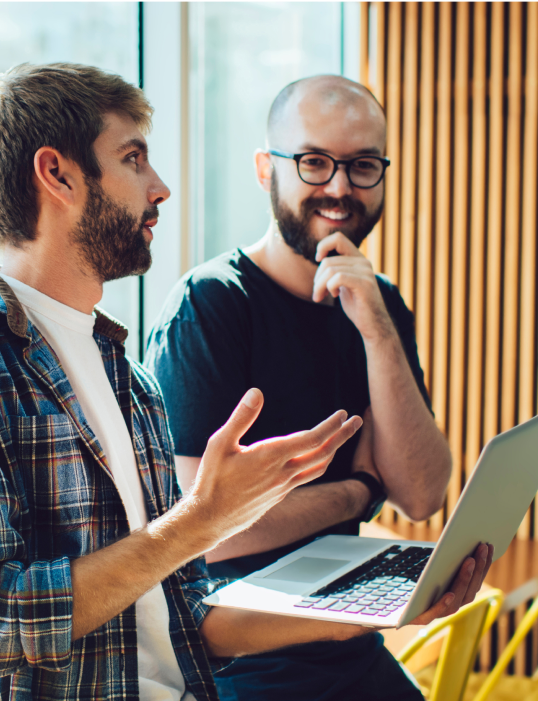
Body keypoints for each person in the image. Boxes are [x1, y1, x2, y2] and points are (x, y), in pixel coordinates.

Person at [0, 64, 490, 701]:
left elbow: (183, 618)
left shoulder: (125, 377)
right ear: (58, 175)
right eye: (133, 158)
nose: (159, 188)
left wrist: (367, 614)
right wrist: (202, 521)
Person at [145, 74, 454, 701]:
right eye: (314, 162)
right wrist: (361, 490)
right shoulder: (209, 307)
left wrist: (377, 330)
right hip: (241, 662)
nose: (340, 187)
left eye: (363, 165)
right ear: (267, 169)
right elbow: (207, 532)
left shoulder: (379, 303)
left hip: (349, 638)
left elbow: (422, 493)